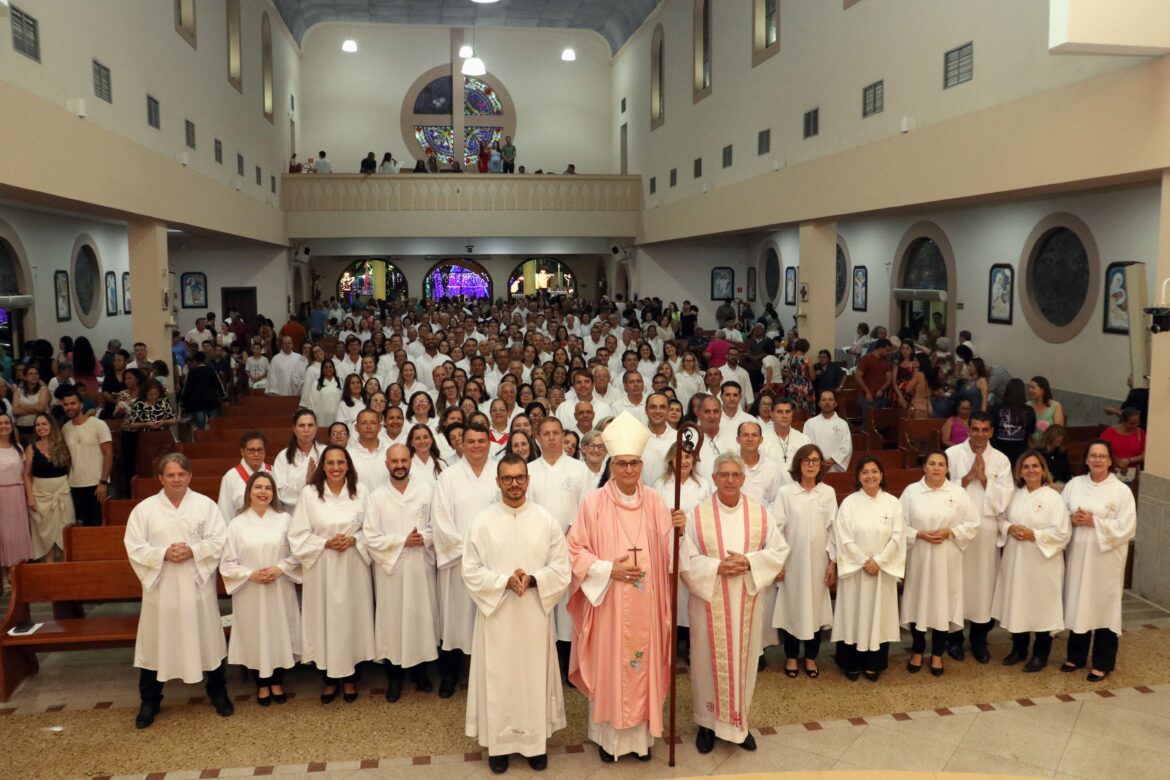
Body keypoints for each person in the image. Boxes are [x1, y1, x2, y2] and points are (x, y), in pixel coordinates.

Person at [566, 411, 688, 763]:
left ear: (641, 464)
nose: (629, 471)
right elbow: (576, 549)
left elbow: (669, 553)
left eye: (634, 464)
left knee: (641, 665)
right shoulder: (594, 503)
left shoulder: (655, 501)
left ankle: (641, 740)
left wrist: (677, 529)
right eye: (621, 464)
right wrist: (607, 569)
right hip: (609, 606)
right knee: (611, 668)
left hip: (647, 605)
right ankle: (608, 740)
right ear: (612, 465)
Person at [463, 454, 571, 774]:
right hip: (497, 616)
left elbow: (561, 567)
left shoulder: (545, 520)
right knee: (499, 679)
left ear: (528, 479)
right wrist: (503, 582)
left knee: (532, 678)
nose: (514, 484)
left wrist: (535, 579)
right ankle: (499, 746)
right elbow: (470, 571)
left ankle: (535, 744)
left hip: (534, 614)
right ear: (497, 482)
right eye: (507, 478)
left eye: (520, 477)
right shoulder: (481, 522)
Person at [685, 452, 787, 754]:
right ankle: (706, 723)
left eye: (735, 475)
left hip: (746, 600)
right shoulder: (696, 515)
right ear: (714, 478)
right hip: (708, 601)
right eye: (724, 475)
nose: (730, 480)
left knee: (743, 661)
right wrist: (716, 567)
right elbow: (684, 557)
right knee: (705, 659)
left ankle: (739, 723)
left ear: (743, 479)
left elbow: (778, 550)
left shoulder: (760, 513)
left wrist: (749, 562)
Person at [124, 453, 232, 728]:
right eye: (170, 475)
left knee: (206, 637)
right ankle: (150, 700)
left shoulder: (205, 506)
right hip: (162, 589)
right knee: (155, 641)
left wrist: (192, 550)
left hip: (197, 586)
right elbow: (134, 546)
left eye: (181, 474)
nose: (176, 479)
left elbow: (219, 540)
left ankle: (218, 692)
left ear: (189, 476)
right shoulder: (145, 510)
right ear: (160, 478)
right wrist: (163, 553)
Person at [289, 444, 376, 703]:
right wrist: (325, 543)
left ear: (348, 465)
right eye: (330, 463)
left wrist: (353, 540)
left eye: (340, 462)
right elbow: (298, 533)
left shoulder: (360, 491)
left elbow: (371, 528)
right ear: (322, 467)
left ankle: (350, 678)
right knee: (325, 619)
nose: (336, 467)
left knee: (351, 618)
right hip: (323, 566)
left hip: (353, 565)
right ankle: (328, 678)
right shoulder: (309, 494)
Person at [364, 444, 440, 702]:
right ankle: (394, 676)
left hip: (420, 567)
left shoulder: (426, 492)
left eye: (403, 460)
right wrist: (401, 542)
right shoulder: (376, 497)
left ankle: (420, 673)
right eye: (394, 461)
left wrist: (426, 538)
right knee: (393, 621)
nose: (399, 465)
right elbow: (370, 536)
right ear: (387, 464)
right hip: (391, 571)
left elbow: (436, 527)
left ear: (411, 462)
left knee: (420, 619)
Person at [219, 472, 301, 706]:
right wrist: (249, 574)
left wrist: (281, 568)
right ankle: (261, 684)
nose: (263, 492)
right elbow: (227, 562)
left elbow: (298, 554)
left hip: (279, 585)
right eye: (258, 487)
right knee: (256, 635)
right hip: (250, 590)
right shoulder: (236, 524)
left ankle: (277, 681)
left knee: (278, 632)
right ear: (249, 492)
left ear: (274, 493)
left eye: (268, 488)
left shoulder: (285, 520)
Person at [432, 423, 500, 698]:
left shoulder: (501, 472)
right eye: (470, 441)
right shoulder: (448, 477)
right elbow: (440, 519)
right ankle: (450, 674)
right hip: (459, 560)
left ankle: (493, 674)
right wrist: (466, 549)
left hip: (495, 561)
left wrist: (493, 549)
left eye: (481, 441)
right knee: (455, 619)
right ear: (461, 445)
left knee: (491, 618)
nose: (475, 446)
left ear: (489, 442)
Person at [899, 451, 980, 676]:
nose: (936, 468)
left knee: (942, 604)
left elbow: (973, 523)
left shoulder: (958, 492)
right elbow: (898, 525)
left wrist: (950, 532)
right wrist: (919, 534)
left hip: (947, 558)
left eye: (941, 464)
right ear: (924, 466)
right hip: (920, 557)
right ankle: (917, 651)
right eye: (931, 463)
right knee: (919, 602)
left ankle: (937, 655)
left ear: (947, 468)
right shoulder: (911, 492)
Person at [1061, 440, 1136, 682]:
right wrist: (1071, 520)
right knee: (1079, 602)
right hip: (1079, 556)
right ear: (1086, 459)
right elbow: (1059, 515)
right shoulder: (1074, 485)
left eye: (1102, 456)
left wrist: (1095, 522)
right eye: (1093, 455)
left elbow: (1127, 528)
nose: (1097, 460)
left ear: (1110, 460)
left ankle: (1102, 662)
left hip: (1106, 560)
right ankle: (1076, 656)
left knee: (1104, 607)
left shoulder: (1121, 491)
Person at [991, 450, 1070, 672]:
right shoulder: (1014, 495)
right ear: (1020, 472)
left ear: (1043, 470)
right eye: (1026, 467)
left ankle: (1040, 653)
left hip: (1043, 562)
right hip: (1017, 559)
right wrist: (1009, 528)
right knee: (1019, 602)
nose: (1031, 470)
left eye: (1035, 466)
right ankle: (1018, 649)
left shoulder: (1053, 497)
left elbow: (1063, 533)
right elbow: (999, 518)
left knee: (1041, 605)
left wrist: (1033, 535)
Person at [944, 411, 1013, 663]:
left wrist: (984, 479)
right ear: (968, 429)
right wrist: (966, 478)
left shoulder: (1001, 460)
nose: (980, 435)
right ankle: (953, 638)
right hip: (957, 531)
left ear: (992, 431)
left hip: (985, 532)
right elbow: (940, 490)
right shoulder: (951, 455)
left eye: (985, 430)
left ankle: (979, 639)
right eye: (976, 429)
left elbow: (1006, 497)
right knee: (957, 584)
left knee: (982, 585)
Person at [831, 456, 905, 681]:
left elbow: (898, 535)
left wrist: (879, 561)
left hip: (881, 571)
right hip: (856, 571)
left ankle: (875, 662)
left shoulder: (893, 503)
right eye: (865, 472)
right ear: (858, 477)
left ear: (882, 475)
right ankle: (849, 661)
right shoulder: (849, 503)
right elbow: (842, 536)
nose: (870, 476)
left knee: (879, 615)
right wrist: (864, 561)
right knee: (854, 614)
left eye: (874, 471)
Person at [528, 417, 591, 677]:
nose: (552, 438)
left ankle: (567, 662)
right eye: (546, 434)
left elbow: (587, 509)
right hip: (538, 547)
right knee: (542, 604)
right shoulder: (529, 470)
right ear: (538, 438)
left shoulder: (579, 469)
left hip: (570, 546)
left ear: (563, 437)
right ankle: (542, 662)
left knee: (567, 607)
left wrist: (570, 532)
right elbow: (526, 509)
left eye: (556, 433)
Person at [771, 443, 836, 679]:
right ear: (798, 463)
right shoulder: (786, 493)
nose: (811, 464)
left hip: (819, 563)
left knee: (815, 610)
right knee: (792, 608)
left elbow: (833, 530)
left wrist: (832, 563)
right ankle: (790, 656)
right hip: (792, 563)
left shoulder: (827, 493)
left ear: (821, 466)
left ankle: (810, 657)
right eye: (806, 460)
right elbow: (776, 528)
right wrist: (778, 563)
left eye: (816, 461)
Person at [23, 413, 73, 563]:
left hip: (62, 494)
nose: (41, 427)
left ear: (51, 425)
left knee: (65, 531)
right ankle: (49, 566)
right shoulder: (31, 448)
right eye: (38, 425)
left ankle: (66, 566)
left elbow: (71, 469)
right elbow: (26, 475)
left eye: (44, 424)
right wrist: (30, 497)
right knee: (44, 533)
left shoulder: (63, 445)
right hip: (40, 495)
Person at [59, 388, 112, 526]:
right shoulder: (65, 428)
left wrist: (103, 482)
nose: (69, 407)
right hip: (74, 484)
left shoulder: (98, 425)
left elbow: (108, 454)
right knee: (81, 526)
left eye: (73, 403)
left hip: (96, 484)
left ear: (81, 405)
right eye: (66, 404)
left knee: (98, 525)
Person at [272, 408, 323, 514]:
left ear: (316, 428)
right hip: (294, 514)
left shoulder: (325, 452)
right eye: (301, 425)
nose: (306, 429)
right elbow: (280, 493)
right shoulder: (283, 457)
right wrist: (305, 481)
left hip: (322, 511)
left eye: (310, 425)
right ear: (294, 429)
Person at [0, 413, 29, 590]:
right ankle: (4, 577)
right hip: (1, 495)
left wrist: (29, 496)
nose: (3, 426)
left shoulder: (18, 448)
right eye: (0, 423)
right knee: (4, 536)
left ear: (11, 426)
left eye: (6, 422)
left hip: (17, 494)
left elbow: (25, 475)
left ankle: (16, 573)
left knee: (17, 535)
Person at [217, 431, 273, 522]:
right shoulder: (231, 477)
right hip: (241, 531)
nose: (256, 454)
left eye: (260, 450)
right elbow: (225, 512)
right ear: (242, 452)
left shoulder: (274, 472)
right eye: (251, 450)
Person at [802, 390, 852, 473]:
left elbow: (846, 446)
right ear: (819, 403)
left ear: (835, 403)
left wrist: (833, 460)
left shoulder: (843, 424)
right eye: (824, 400)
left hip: (835, 467)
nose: (827, 402)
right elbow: (806, 444)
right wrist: (819, 461)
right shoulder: (810, 423)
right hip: (815, 466)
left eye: (830, 400)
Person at [991, 378, 1035, 467]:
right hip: (1020, 456)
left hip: (997, 453)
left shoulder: (994, 409)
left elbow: (990, 431)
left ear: (1006, 391)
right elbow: (1031, 431)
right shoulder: (1029, 411)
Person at [1099, 407, 1145, 476]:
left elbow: (1146, 455)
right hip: (1111, 472)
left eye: (1137, 423)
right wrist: (1114, 460)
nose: (1135, 426)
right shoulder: (1110, 433)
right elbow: (1099, 451)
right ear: (1123, 421)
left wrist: (1129, 460)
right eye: (1132, 423)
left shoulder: (1140, 433)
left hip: (1132, 473)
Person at [1027, 376, 1065, 445]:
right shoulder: (1028, 405)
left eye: (1033, 388)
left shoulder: (1055, 406)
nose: (1030, 390)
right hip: (1030, 446)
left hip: (1049, 446)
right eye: (1029, 387)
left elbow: (1058, 431)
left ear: (1042, 390)